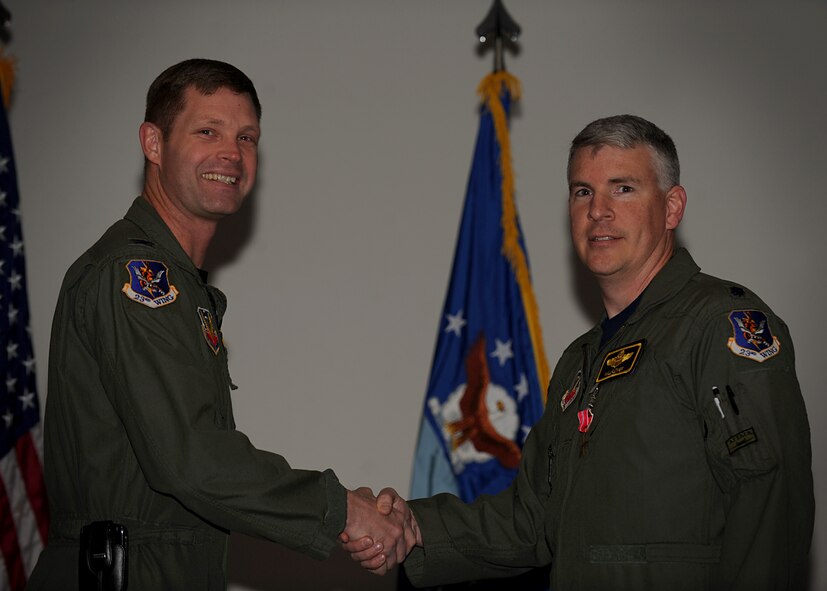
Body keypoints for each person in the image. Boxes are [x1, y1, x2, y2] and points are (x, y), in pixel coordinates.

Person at [344, 114, 815, 590]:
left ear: (673, 208)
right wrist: (415, 527)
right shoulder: (579, 362)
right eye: (582, 191)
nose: (599, 211)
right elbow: (530, 520)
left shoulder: (717, 325)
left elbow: (770, 503)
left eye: (623, 189)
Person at [27, 58, 414, 589]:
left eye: (247, 137)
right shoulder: (137, 276)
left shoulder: (180, 283)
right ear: (153, 143)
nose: (232, 153)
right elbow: (191, 459)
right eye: (207, 130)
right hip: (128, 575)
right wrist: (343, 511)